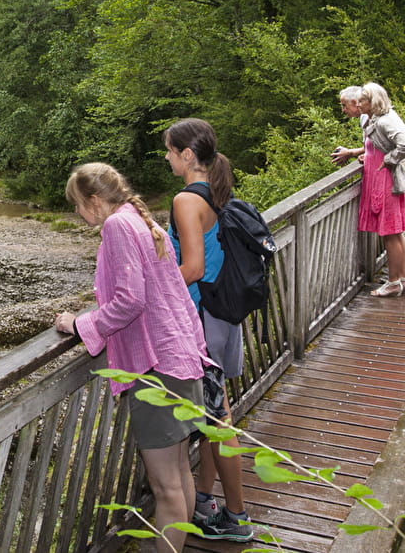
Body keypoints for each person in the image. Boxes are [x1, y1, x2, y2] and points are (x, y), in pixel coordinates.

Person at [53, 162, 206, 553]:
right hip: (178, 354)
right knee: (179, 475)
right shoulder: (138, 217)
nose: (76, 213)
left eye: (77, 204)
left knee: (165, 486)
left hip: (157, 367)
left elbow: (129, 301)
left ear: (94, 199)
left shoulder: (118, 226)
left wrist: (80, 323)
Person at [161, 118, 256, 543]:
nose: (165, 158)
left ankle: (235, 518)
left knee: (219, 422)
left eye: (168, 150)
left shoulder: (186, 198)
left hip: (202, 321)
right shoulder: (216, 187)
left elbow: (194, 268)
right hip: (221, 316)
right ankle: (205, 498)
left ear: (186, 154)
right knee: (219, 416)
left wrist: (151, 292)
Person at [333, 85, 405, 282]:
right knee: (397, 226)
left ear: (356, 103)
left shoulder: (385, 118)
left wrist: (386, 159)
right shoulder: (366, 118)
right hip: (393, 169)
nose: (344, 110)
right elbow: (379, 143)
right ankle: (400, 274)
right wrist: (357, 153)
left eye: (345, 105)